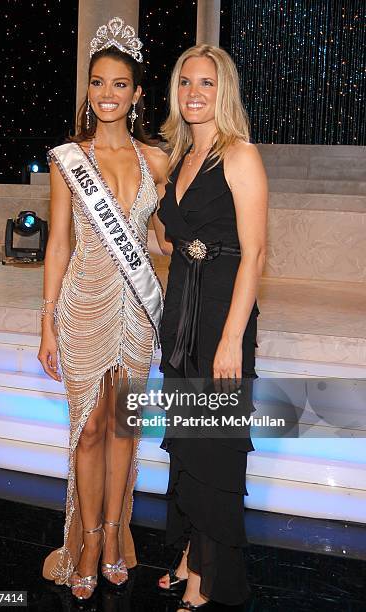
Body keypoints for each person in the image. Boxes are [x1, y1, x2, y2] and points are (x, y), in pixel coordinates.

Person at [38, 17, 168, 602]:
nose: (107, 94)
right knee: (89, 429)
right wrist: (47, 320)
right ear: (87, 90)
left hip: (136, 311)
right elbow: (58, 243)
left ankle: (116, 535)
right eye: (97, 83)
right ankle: (87, 539)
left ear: (137, 94)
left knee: (123, 426)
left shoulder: (156, 162)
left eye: (120, 84)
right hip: (84, 306)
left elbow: (163, 235)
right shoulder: (70, 159)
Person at [155, 44, 268, 610]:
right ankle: (186, 552)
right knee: (187, 442)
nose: (194, 93)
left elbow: (254, 254)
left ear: (224, 91)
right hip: (181, 313)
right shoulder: (180, 156)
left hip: (222, 314)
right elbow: (168, 237)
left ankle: (207, 575)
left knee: (213, 445)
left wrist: (230, 338)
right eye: (184, 83)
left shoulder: (239, 154)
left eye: (206, 83)